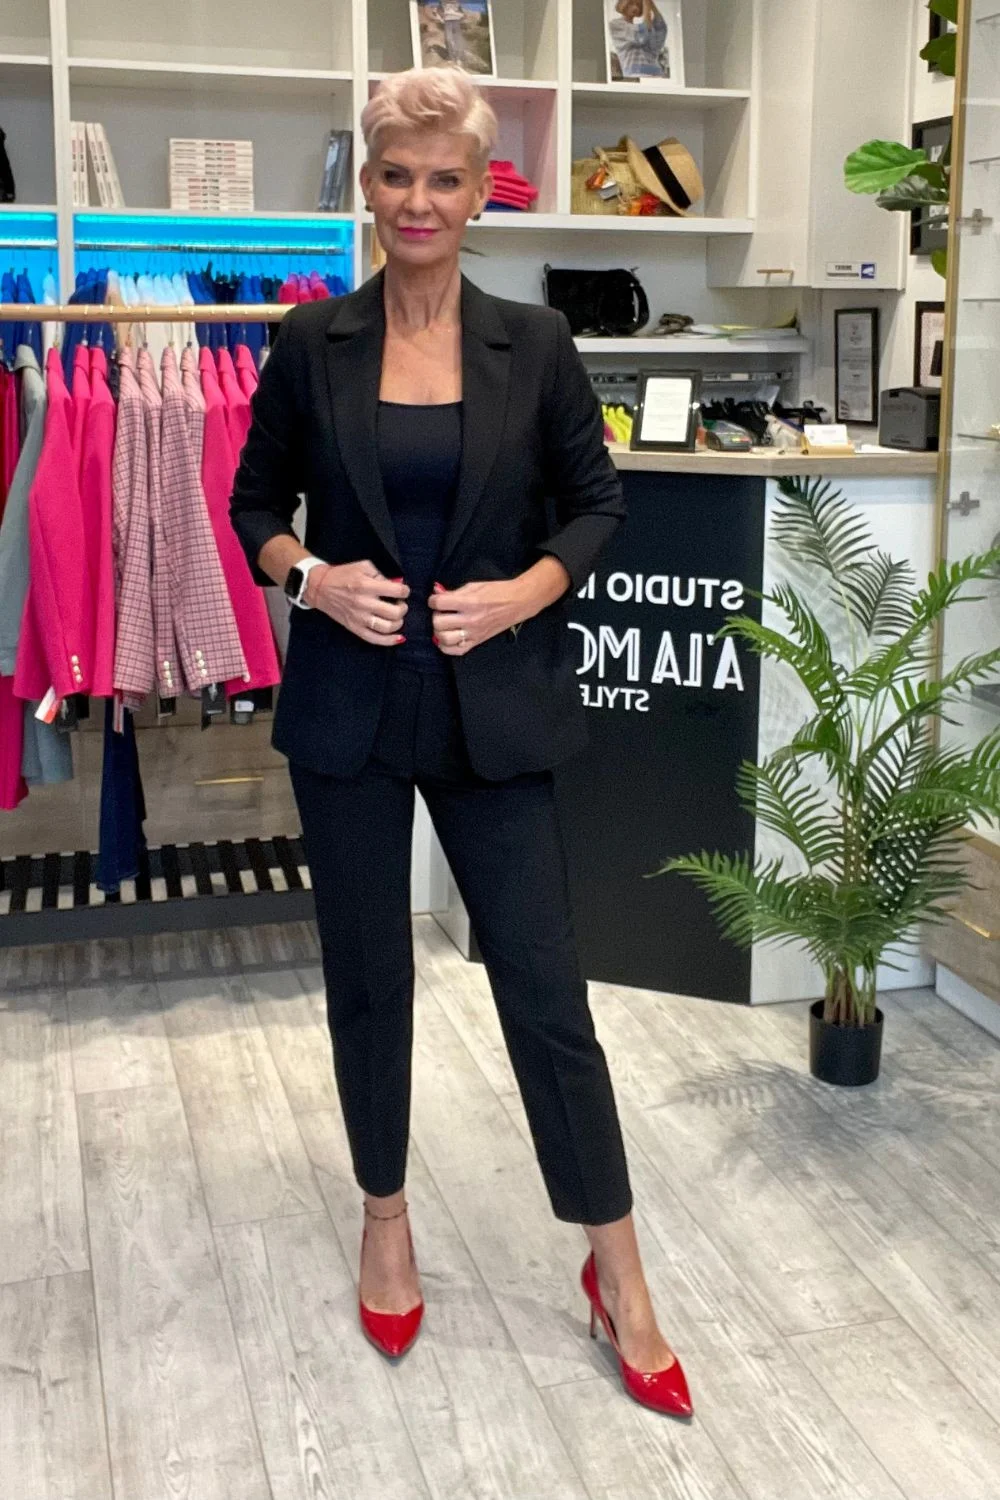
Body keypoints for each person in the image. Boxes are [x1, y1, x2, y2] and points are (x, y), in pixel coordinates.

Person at [230, 65, 692, 1419]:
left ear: (478, 193)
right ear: (369, 188)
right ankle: (385, 1216)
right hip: (349, 711)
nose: (417, 200)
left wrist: (523, 593)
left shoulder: (533, 343)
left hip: (496, 708)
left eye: (443, 178)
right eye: (395, 175)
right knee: (370, 979)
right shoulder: (309, 339)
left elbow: (596, 507)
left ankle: (618, 1266)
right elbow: (253, 503)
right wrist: (311, 578)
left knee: (546, 988)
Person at [609, 0, 669, 78]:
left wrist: (651, 4)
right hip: (636, 75)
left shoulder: (646, 30)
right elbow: (642, 35)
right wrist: (647, 6)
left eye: (638, 5)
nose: (635, 8)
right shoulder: (616, 25)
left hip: (657, 75)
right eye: (631, 3)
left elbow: (661, 29)